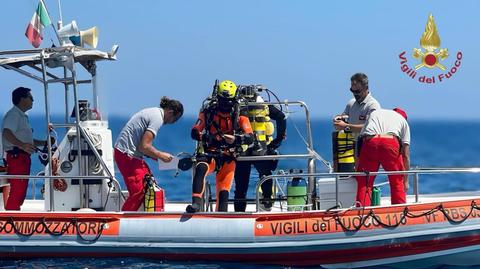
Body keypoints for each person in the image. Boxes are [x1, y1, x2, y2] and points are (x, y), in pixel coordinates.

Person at [186, 80, 254, 213]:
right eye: (223, 101)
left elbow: (250, 136)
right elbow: (195, 131)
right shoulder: (208, 112)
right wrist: (206, 137)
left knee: (223, 192)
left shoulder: (240, 115)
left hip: (228, 156)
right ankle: (196, 204)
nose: (226, 105)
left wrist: (235, 139)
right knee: (200, 170)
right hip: (209, 153)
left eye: (229, 101)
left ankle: (221, 215)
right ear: (218, 99)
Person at [114, 96, 183, 211]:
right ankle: (125, 220)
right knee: (139, 192)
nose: (172, 123)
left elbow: (142, 148)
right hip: (126, 155)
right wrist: (160, 155)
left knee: (150, 183)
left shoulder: (154, 112)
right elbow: (144, 146)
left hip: (130, 154)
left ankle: (144, 215)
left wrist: (163, 159)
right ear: (170, 113)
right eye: (174, 120)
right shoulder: (158, 118)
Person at [233, 85, 286, 212]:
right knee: (266, 176)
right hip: (262, 148)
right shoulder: (264, 106)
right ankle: (267, 202)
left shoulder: (236, 106)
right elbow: (281, 117)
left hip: (242, 149)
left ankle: (239, 211)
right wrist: (277, 140)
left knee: (241, 185)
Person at [1, 87, 49, 210]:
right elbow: (6, 132)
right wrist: (22, 145)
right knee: (17, 193)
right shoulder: (14, 115)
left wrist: (44, 142)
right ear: (22, 99)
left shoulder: (22, 116)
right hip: (17, 158)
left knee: (20, 192)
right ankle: (11, 221)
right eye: (30, 97)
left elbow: (27, 141)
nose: (33, 100)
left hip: (22, 158)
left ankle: (14, 217)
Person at [355, 108, 410, 207]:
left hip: (370, 142)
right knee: (396, 180)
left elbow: (360, 141)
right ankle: (399, 213)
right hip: (390, 143)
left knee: (365, 182)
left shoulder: (375, 113)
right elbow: (405, 155)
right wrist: (405, 180)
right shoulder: (402, 121)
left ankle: (361, 215)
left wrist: (357, 167)